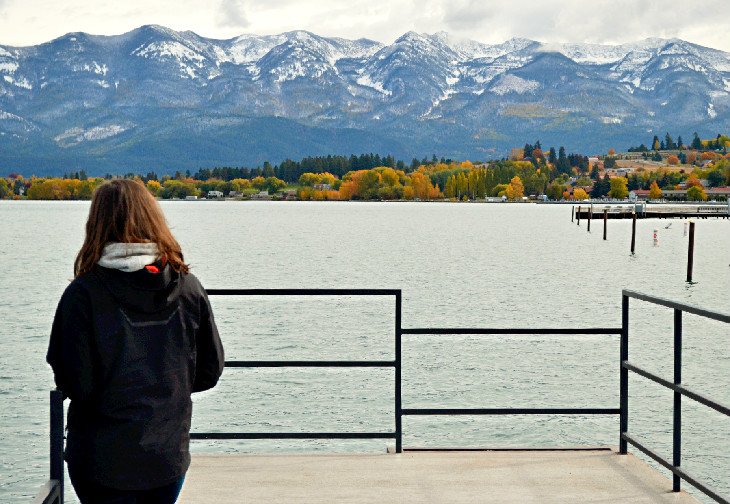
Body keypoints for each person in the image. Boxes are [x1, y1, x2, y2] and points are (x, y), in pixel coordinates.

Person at [46, 179, 224, 504]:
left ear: (96, 223)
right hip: (167, 456)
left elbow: (77, 384)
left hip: (102, 462)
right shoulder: (189, 288)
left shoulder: (83, 296)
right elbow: (208, 372)